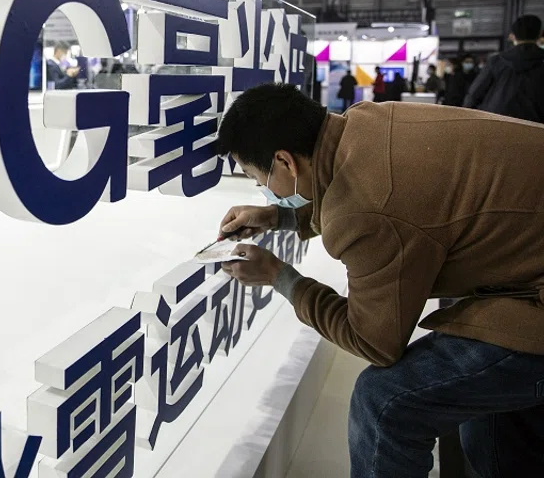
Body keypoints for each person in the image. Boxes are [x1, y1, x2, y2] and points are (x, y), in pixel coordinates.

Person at [213, 83, 544, 478]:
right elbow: (381, 196)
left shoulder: (366, 210)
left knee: (385, 403)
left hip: (532, 291)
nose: (262, 190)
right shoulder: (365, 121)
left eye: (258, 178)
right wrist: (279, 216)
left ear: (285, 161)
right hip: (526, 263)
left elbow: (374, 341)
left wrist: (279, 277)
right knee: (485, 423)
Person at [463, 15, 544, 123]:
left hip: (497, 123)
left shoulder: (497, 61)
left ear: (512, 36)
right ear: (540, 34)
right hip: (536, 127)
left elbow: (475, 94)